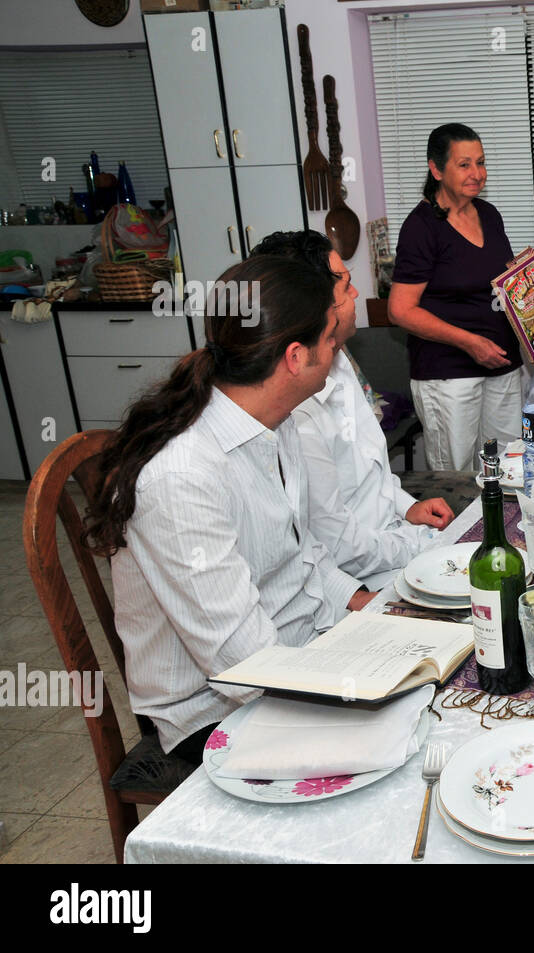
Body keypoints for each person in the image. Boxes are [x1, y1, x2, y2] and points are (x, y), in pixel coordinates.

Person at [82, 256, 374, 762]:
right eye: (330, 337)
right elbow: (249, 667)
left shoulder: (275, 421)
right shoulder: (181, 477)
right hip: (216, 711)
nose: (336, 347)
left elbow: (301, 556)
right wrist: (362, 690)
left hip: (301, 655)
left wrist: (374, 611)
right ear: (295, 357)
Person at [251, 230, 455, 589]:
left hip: (390, 540)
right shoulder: (295, 406)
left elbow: (369, 465)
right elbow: (341, 546)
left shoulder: (338, 357)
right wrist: (420, 543)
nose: (356, 292)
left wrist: (406, 506)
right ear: (313, 301)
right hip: (362, 574)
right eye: (345, 284)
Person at [389, 123, 523, 471]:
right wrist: (469, 342)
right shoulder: (421, 228)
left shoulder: (489, 215)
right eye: (464, 165)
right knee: (459, 477)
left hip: (503, 365)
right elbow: (401, 310)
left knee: (509, 468)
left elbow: (503, 286)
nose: (477, 174)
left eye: (481, 162)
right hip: (449, 375)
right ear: (436, 169)